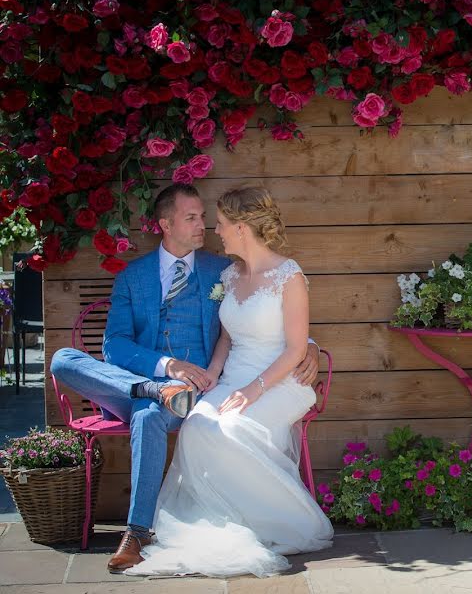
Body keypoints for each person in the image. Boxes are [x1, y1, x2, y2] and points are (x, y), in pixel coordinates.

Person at [49, 184, 322, 573]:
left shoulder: (221, 269)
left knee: (147, 416)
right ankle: (151, 389)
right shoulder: (133, 278)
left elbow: (263, 318)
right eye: (192, 217)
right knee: (62, 359)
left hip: (194, 394)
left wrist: (308, 345)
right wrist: (165, 368)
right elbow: (114, 348)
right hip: (148, 385)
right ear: (165, 223)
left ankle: (137, 532)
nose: (206, 227)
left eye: (207, 218)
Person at [124, 186, 333, 578]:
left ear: (241, 227)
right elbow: (225, 337)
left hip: (280, 382)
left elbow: (293, 349)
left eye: (220, 224)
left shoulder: (289, 276)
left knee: (233, 429)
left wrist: (254, 388)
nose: (215, 230)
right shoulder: (228, 274)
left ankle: (270, 521)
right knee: (199, 425)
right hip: (232, 376)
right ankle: (222, 522)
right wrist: (214, 376)